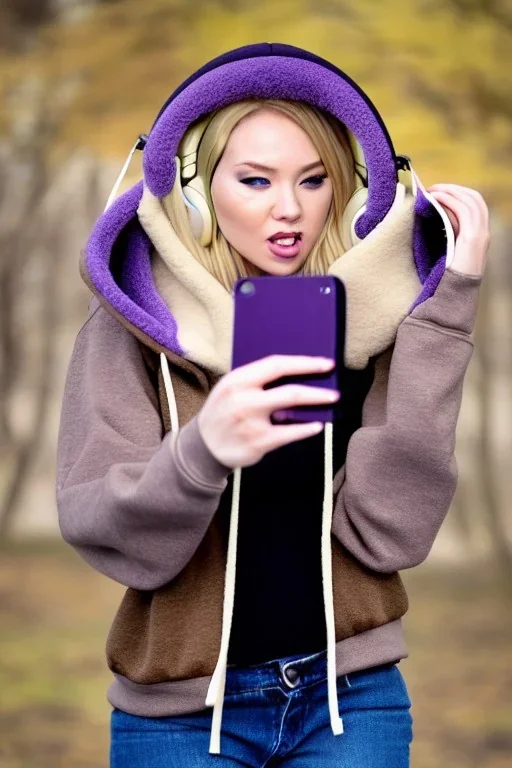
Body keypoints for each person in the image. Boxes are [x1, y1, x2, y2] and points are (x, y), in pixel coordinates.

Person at [56, 43, 490, 767]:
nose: (289, 208)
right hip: (180, 718)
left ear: (348, 195)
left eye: (315, 180)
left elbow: (393, 536)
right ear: (196, 194)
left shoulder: (379, 326)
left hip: (354, 704)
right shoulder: (131, 326)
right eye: (255, 180)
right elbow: (110, 530)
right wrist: (205, 450)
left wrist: (448, 311)